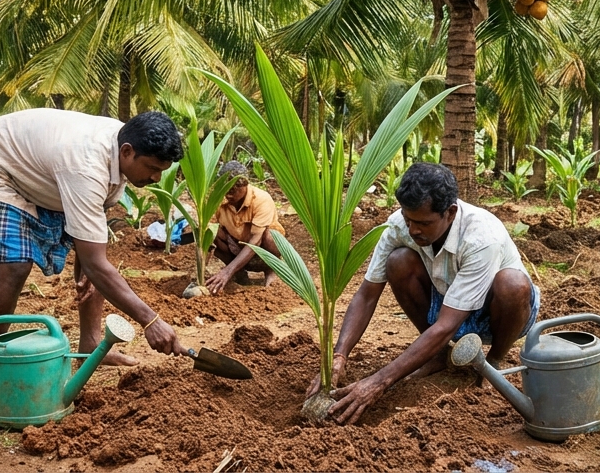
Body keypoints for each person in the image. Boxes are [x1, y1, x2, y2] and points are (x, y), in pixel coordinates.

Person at [312, 162, 539, 425]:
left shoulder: (481, 237)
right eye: (408, 219)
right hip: (446, 303)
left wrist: (378, 381)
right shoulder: (399, 225)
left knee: (513, 283)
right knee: (398, 261)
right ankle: (438, 355)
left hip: (499, 311)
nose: (413, 230)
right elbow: (366, 294)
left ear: (450, 213)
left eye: (423, 223)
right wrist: (339, 356)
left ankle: (494, 363)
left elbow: (445, 326)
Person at [0, 108, 186, 362]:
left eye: (162, 170)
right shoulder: (86, 165)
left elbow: (91, 250)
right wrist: (151, 321)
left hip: (37, 172)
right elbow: (95, 264)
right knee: (16, 267)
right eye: (152, 168)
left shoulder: (119, 149)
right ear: (127, 152)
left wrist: (92, 267)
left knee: (94, 264)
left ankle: (91, 345)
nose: (156, 178)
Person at [205, 160, 285, 294]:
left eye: (233, 190)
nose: (228, 194)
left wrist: (227, 272)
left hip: (260, 249)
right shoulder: (219, 199)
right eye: (226, 189)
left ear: (245, 186)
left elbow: (256, 241)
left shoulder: (261, 199)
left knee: (270, 236)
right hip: (235, 244)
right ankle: (240, 273)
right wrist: (199, 273)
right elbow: (207, 232)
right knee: (211, 232)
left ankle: (270, 270)